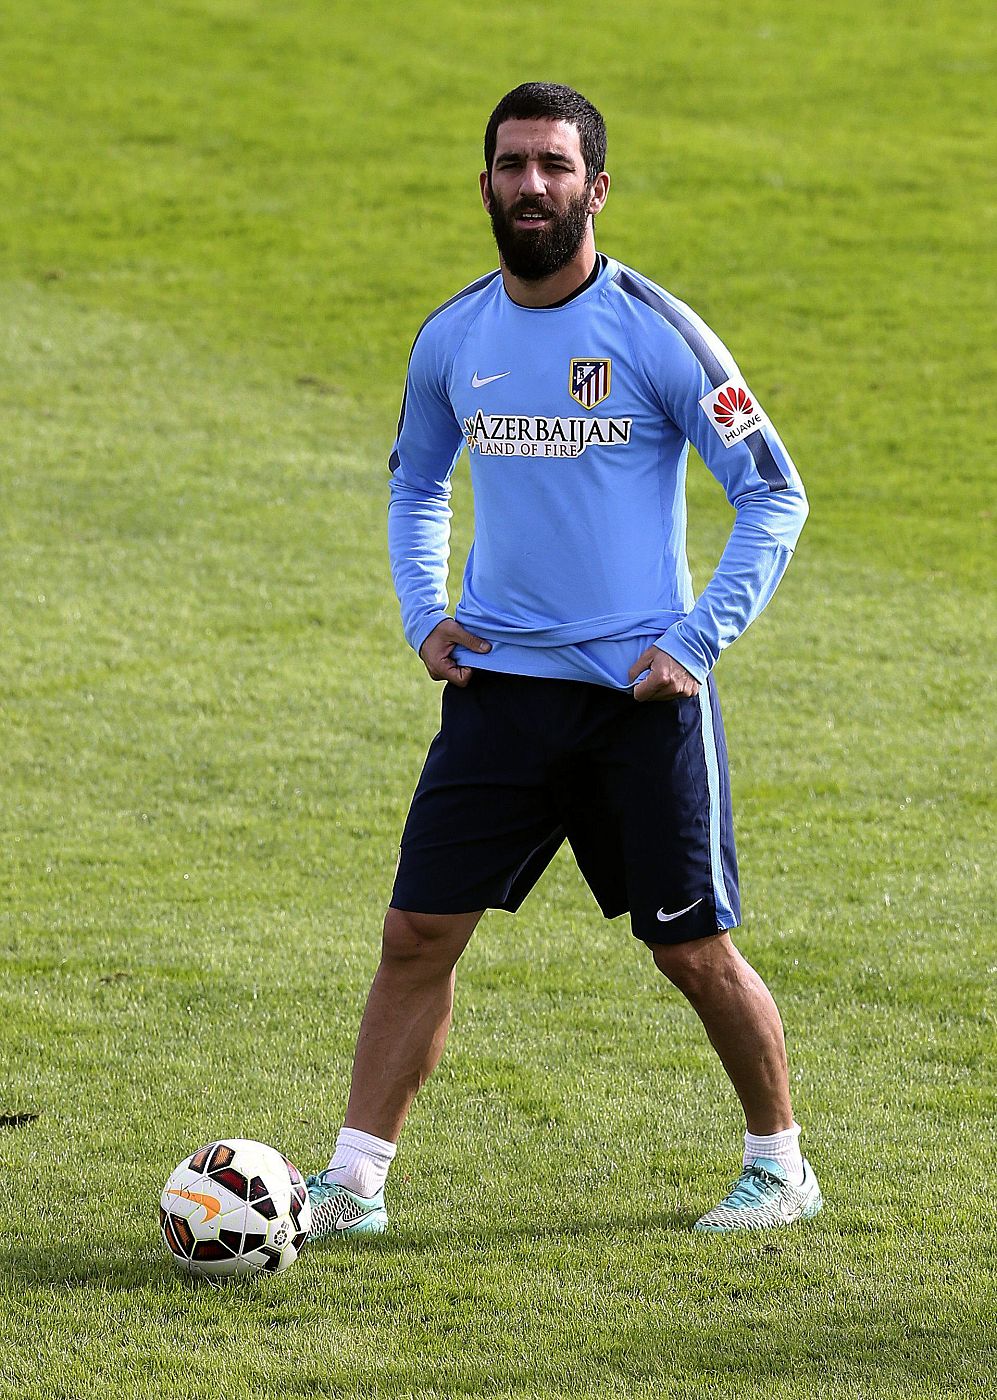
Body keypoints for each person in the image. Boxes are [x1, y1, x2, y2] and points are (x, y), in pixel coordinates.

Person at [307, 82, 821, 1236]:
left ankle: (779, 1163)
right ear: (483, 183)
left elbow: (772, 495)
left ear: (596, 186)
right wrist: (420, 611)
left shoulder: (656, 333)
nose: (529, 185)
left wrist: (695, 640)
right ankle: (353, 1183)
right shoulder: (454, 336)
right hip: (497, 692)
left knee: (691, 948)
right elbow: (415, 480)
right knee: (415, 934)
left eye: (552, 165)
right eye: (510, 164)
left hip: (636, 700)